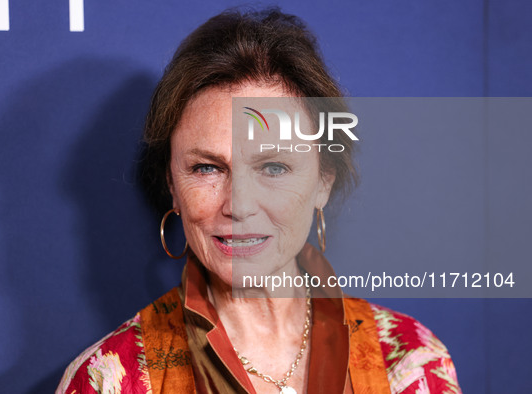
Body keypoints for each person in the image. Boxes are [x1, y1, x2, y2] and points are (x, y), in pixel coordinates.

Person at [57, 8, 461, 394]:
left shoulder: (410, 362)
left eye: (273, 167)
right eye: (207, 168)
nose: (240, 204)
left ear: (323, 181)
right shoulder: (109, 378)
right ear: (172, 184)